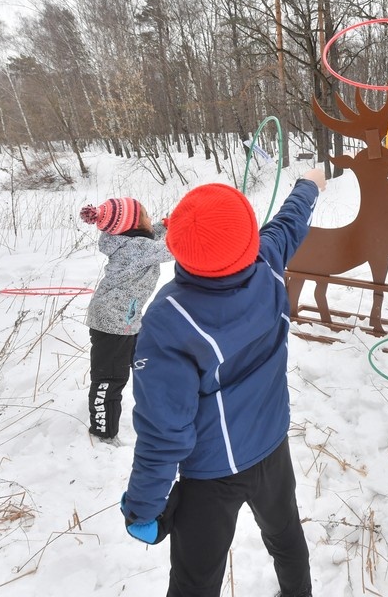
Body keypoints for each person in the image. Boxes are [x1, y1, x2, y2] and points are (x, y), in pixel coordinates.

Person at [120, 168, 326, 597]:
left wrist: (143, 508)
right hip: (271, 448)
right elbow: (289, 222)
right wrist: (309, 184)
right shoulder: (268, 263)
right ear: (250, 238)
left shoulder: (167, 320)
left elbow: (164, 431)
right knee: (286, 537)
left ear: (175, 246)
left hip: (210, 474)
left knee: (195, 583)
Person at [80, 197, 173, 441]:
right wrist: (195, 229)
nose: (150, 218)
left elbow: (150, 236)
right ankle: (102, 432)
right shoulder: (137, 249)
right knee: (109, 379)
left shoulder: (122, 239)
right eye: (146, 215)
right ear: (133, 224)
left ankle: (154, 408)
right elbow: (172, 248)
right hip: (112, 323)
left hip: (124, 319)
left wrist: (168, 224)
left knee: (141, 362)